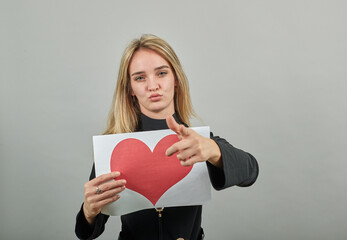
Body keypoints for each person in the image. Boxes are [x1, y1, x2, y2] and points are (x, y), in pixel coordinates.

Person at [75, 34, 259, 240]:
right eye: (140, 77)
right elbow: (85, 233)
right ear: (130, 89)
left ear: (176, 79)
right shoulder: (114, 147)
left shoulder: (197, 142)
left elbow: (251, 172)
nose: (152, 86)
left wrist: (213, 150)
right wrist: (88, 211)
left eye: (161, 73)